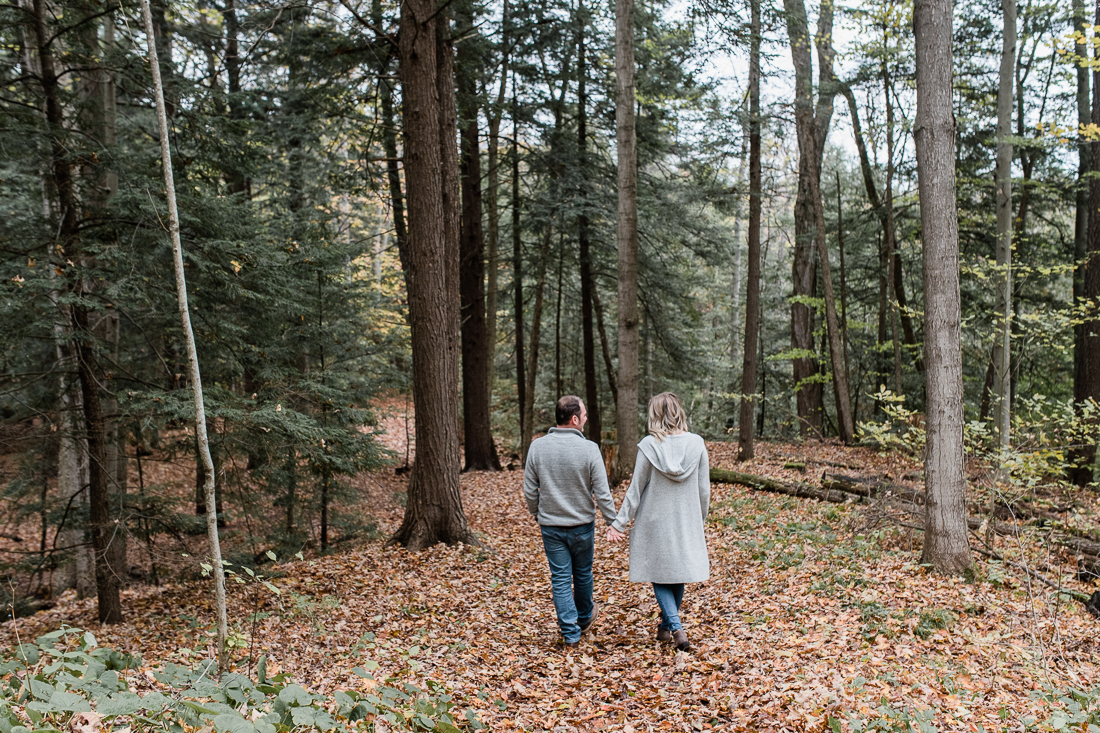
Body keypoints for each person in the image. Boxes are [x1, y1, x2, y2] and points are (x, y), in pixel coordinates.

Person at [606, 392, 710, 652]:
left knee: (661, 574)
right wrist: (700, 518)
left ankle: (674, 627)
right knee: (676, 572)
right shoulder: (696, 444)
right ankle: (665, 628)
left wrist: (619, 523)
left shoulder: (649, 446)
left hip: (655, 520)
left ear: (654, 415)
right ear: (679, 412)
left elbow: (636, 489)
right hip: (686, 517)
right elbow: (704, 489)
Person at [524, 396, 618, 649]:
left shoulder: (537, 447)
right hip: (582, 526)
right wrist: (613, 522)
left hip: (551, 526)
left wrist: (537, 513)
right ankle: (585, 618)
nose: (586, 420)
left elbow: (530, 489)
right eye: (584, 415)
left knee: (561, 578)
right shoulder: (589, 449)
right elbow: (602, 492)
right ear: (574, 419)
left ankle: (570, 634)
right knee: (583, 574)